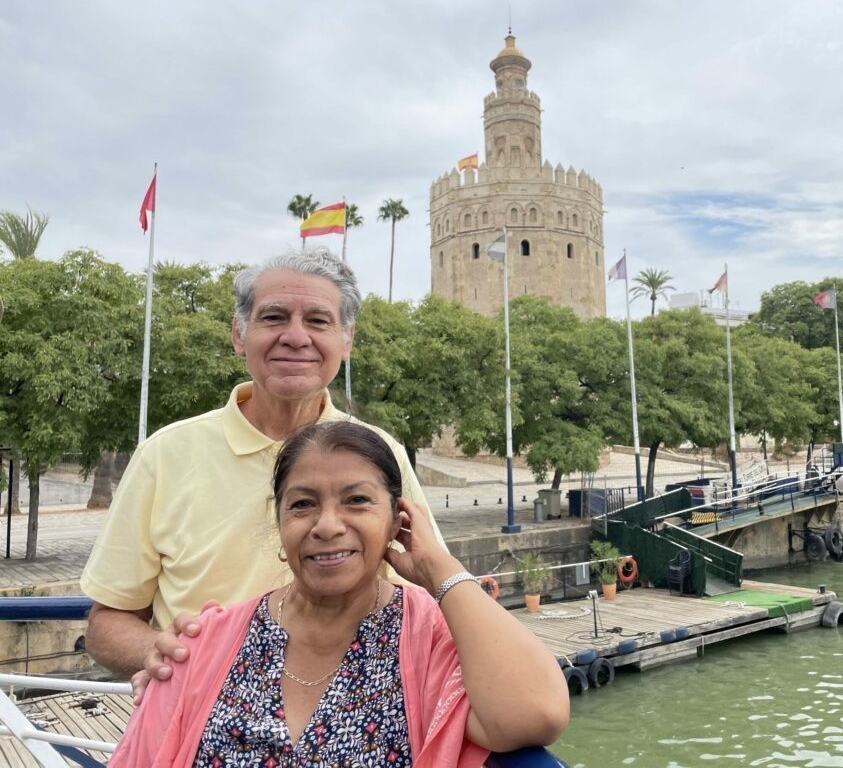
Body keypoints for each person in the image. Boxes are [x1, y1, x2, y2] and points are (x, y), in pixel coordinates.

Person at [111, 421, 569, 766]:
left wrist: (441, 570)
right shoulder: (206, 639)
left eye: (357, 500)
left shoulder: (427, 639)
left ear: (398, 520)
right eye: (303, 504)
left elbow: (535, 713)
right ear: (281, 522)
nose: (327, 526)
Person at [81, 248, 444, 682]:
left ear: (345, 340)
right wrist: (167, 654)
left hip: (350, 722)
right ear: (239, 334)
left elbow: (432, 588)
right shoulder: (166, 454)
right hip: (202, 719)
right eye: (273, 318)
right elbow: (106, 625)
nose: (295, 336)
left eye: (318, 320)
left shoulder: (381, 453)